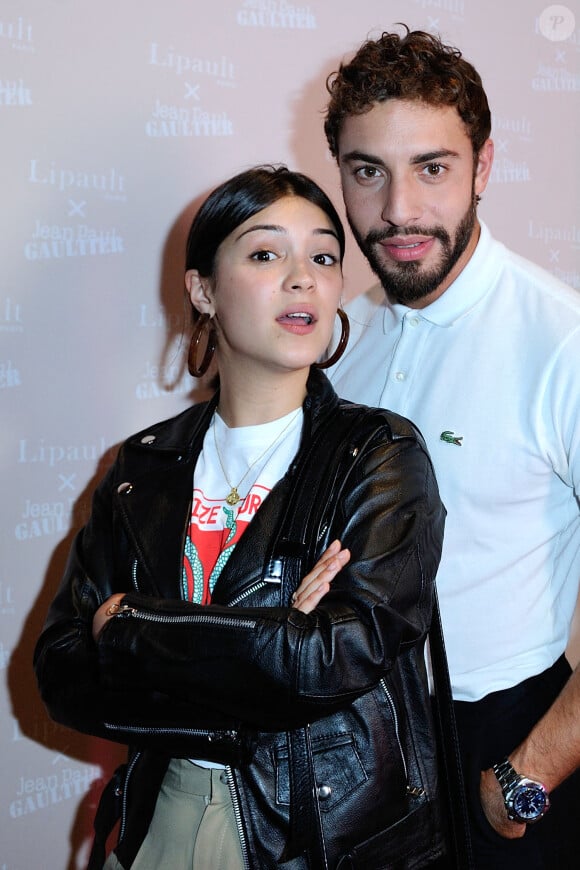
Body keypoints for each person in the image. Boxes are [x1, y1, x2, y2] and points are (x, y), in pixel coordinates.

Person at [34, 165, 448, 869]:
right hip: (157, 817)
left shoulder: (378, 454)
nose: (303, 278)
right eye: (265, 254)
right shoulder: (141, 469)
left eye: (323, 255)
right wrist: (274, 634)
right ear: (202, 289)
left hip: (315, 835)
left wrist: (130, 623)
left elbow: (331, 658)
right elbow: (63, 671)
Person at [323, 26, 580, 870]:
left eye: (432, 168)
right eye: (369, 172)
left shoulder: (560, 339)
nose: (398, 210)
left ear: (484, 166)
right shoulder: (343, 335)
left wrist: (521, 782)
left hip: (500, 742)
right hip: (353, 743)